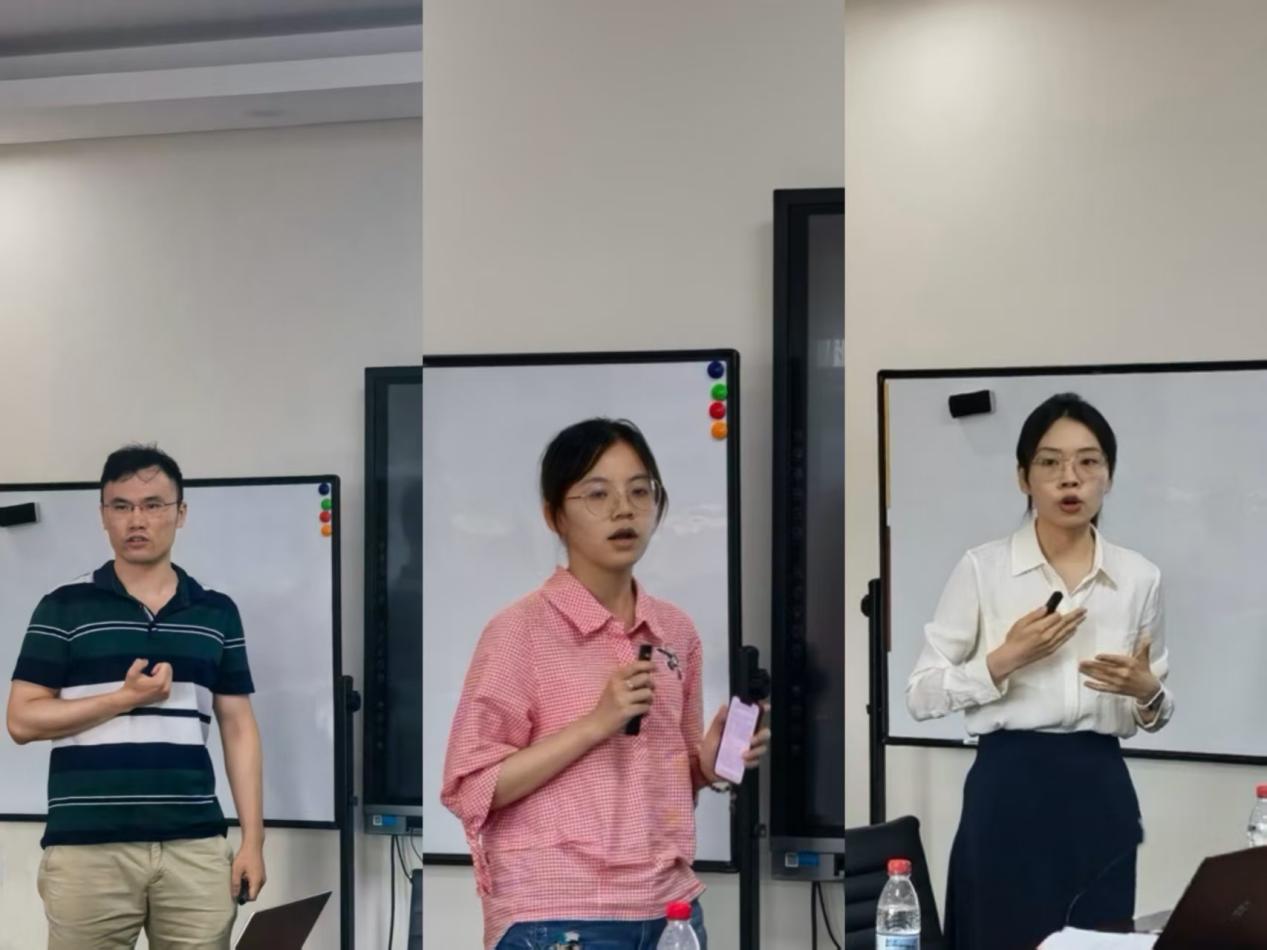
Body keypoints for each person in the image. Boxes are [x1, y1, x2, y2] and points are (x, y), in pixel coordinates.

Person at [441, 418, 770, 950]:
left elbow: (666, 778)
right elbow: (471, 786)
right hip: (556, 911)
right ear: (554, 516)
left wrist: (708, 765)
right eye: (598, 494)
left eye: (639, 491)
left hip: (670, 908)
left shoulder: (674, 630)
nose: (624, 509)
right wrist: (596, 724)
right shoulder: (519, 631)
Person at [907, 393, 1173, 950]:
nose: (1070, 478)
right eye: (1050, 462)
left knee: (1098, 940)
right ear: (1023, 477)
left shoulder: (1139, 577)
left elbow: (1151, 707)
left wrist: (1149, 693)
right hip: (1009, 784)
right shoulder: (983, 569)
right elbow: (920, 694)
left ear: (1109, 475)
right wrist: (1003, 660)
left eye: (1088, 462)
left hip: (1101, 786)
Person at [7, 445, 266, 950]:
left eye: (153, 505)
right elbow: (22, 720)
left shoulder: (215, 611)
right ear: (103, 515)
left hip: (194, 844)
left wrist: (253, 841)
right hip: (87, 848)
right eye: (121, 506)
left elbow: (239, 726)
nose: (137, 520)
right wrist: (122, 698)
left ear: (180, 513)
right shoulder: (63, 606)